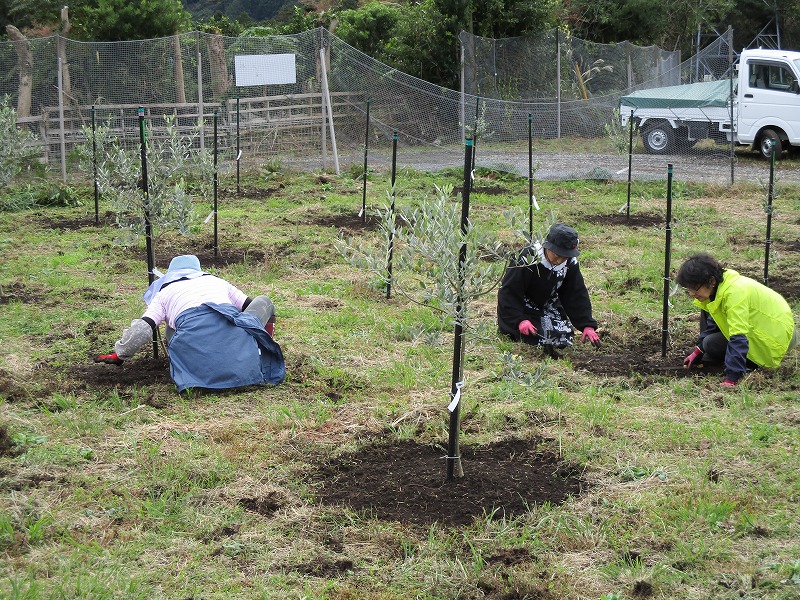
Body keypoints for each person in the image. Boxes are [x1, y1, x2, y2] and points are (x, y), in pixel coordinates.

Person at [95, 254, 285, 392]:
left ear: (169, 275)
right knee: (264, 302)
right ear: (198, 271)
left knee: (173, 325)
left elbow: (143, 330)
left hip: (195, 372)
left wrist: (120, 354)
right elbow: (250, 308)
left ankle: (189, 364)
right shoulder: (217, 282)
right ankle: (260, 352)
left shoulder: (164, 294)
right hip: (243, 362)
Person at [677, 253, 797, 387]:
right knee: (708, 343)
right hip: (765, 328)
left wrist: (732, 378)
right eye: (688, 289)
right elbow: (714, 321)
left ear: (711, 281)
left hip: (776, 338)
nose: (692, 293)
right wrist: (698, 351)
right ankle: (736, 359)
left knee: (711, 343)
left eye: (695, 288)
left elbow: (738, 335)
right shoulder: (718, 289)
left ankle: (751, 363)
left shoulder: (734, 293)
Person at [497, 223, 600, 352]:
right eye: (557, 255)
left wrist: (587, 325)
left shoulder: (570, 264)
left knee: (564, 336)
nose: (559, 260)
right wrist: (519, 320)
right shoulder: (527, 258)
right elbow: (508, 291)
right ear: (547, 246)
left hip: (547, 305)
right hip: (522, 307)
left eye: (564, 256)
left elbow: (575, 293)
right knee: (536, 335)